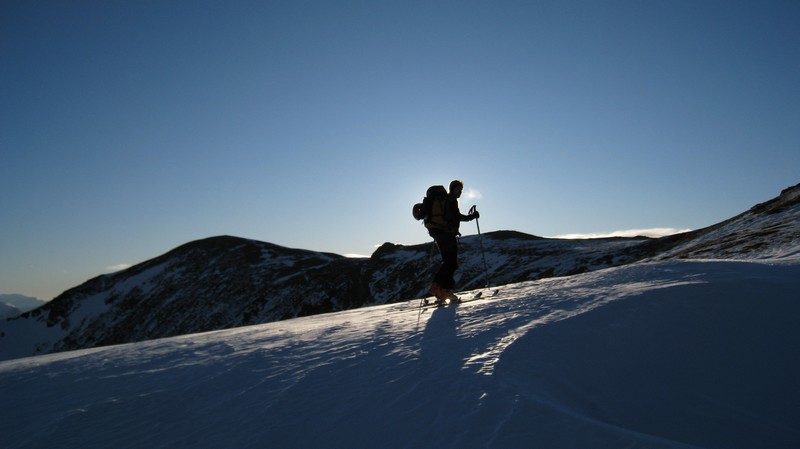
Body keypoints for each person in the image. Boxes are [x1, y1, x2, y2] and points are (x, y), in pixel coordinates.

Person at [426, 180, 479, 303]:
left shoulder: (446, 201)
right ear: (452, 189)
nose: (459, 192)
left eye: (460, 190)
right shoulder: (451, 200)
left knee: (447, 261)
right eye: (457, 189)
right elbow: (457, 216)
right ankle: (445, 290)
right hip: (446, 234)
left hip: (440, 233)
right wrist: (472, 216)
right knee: (451, 262)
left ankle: (437, 288)